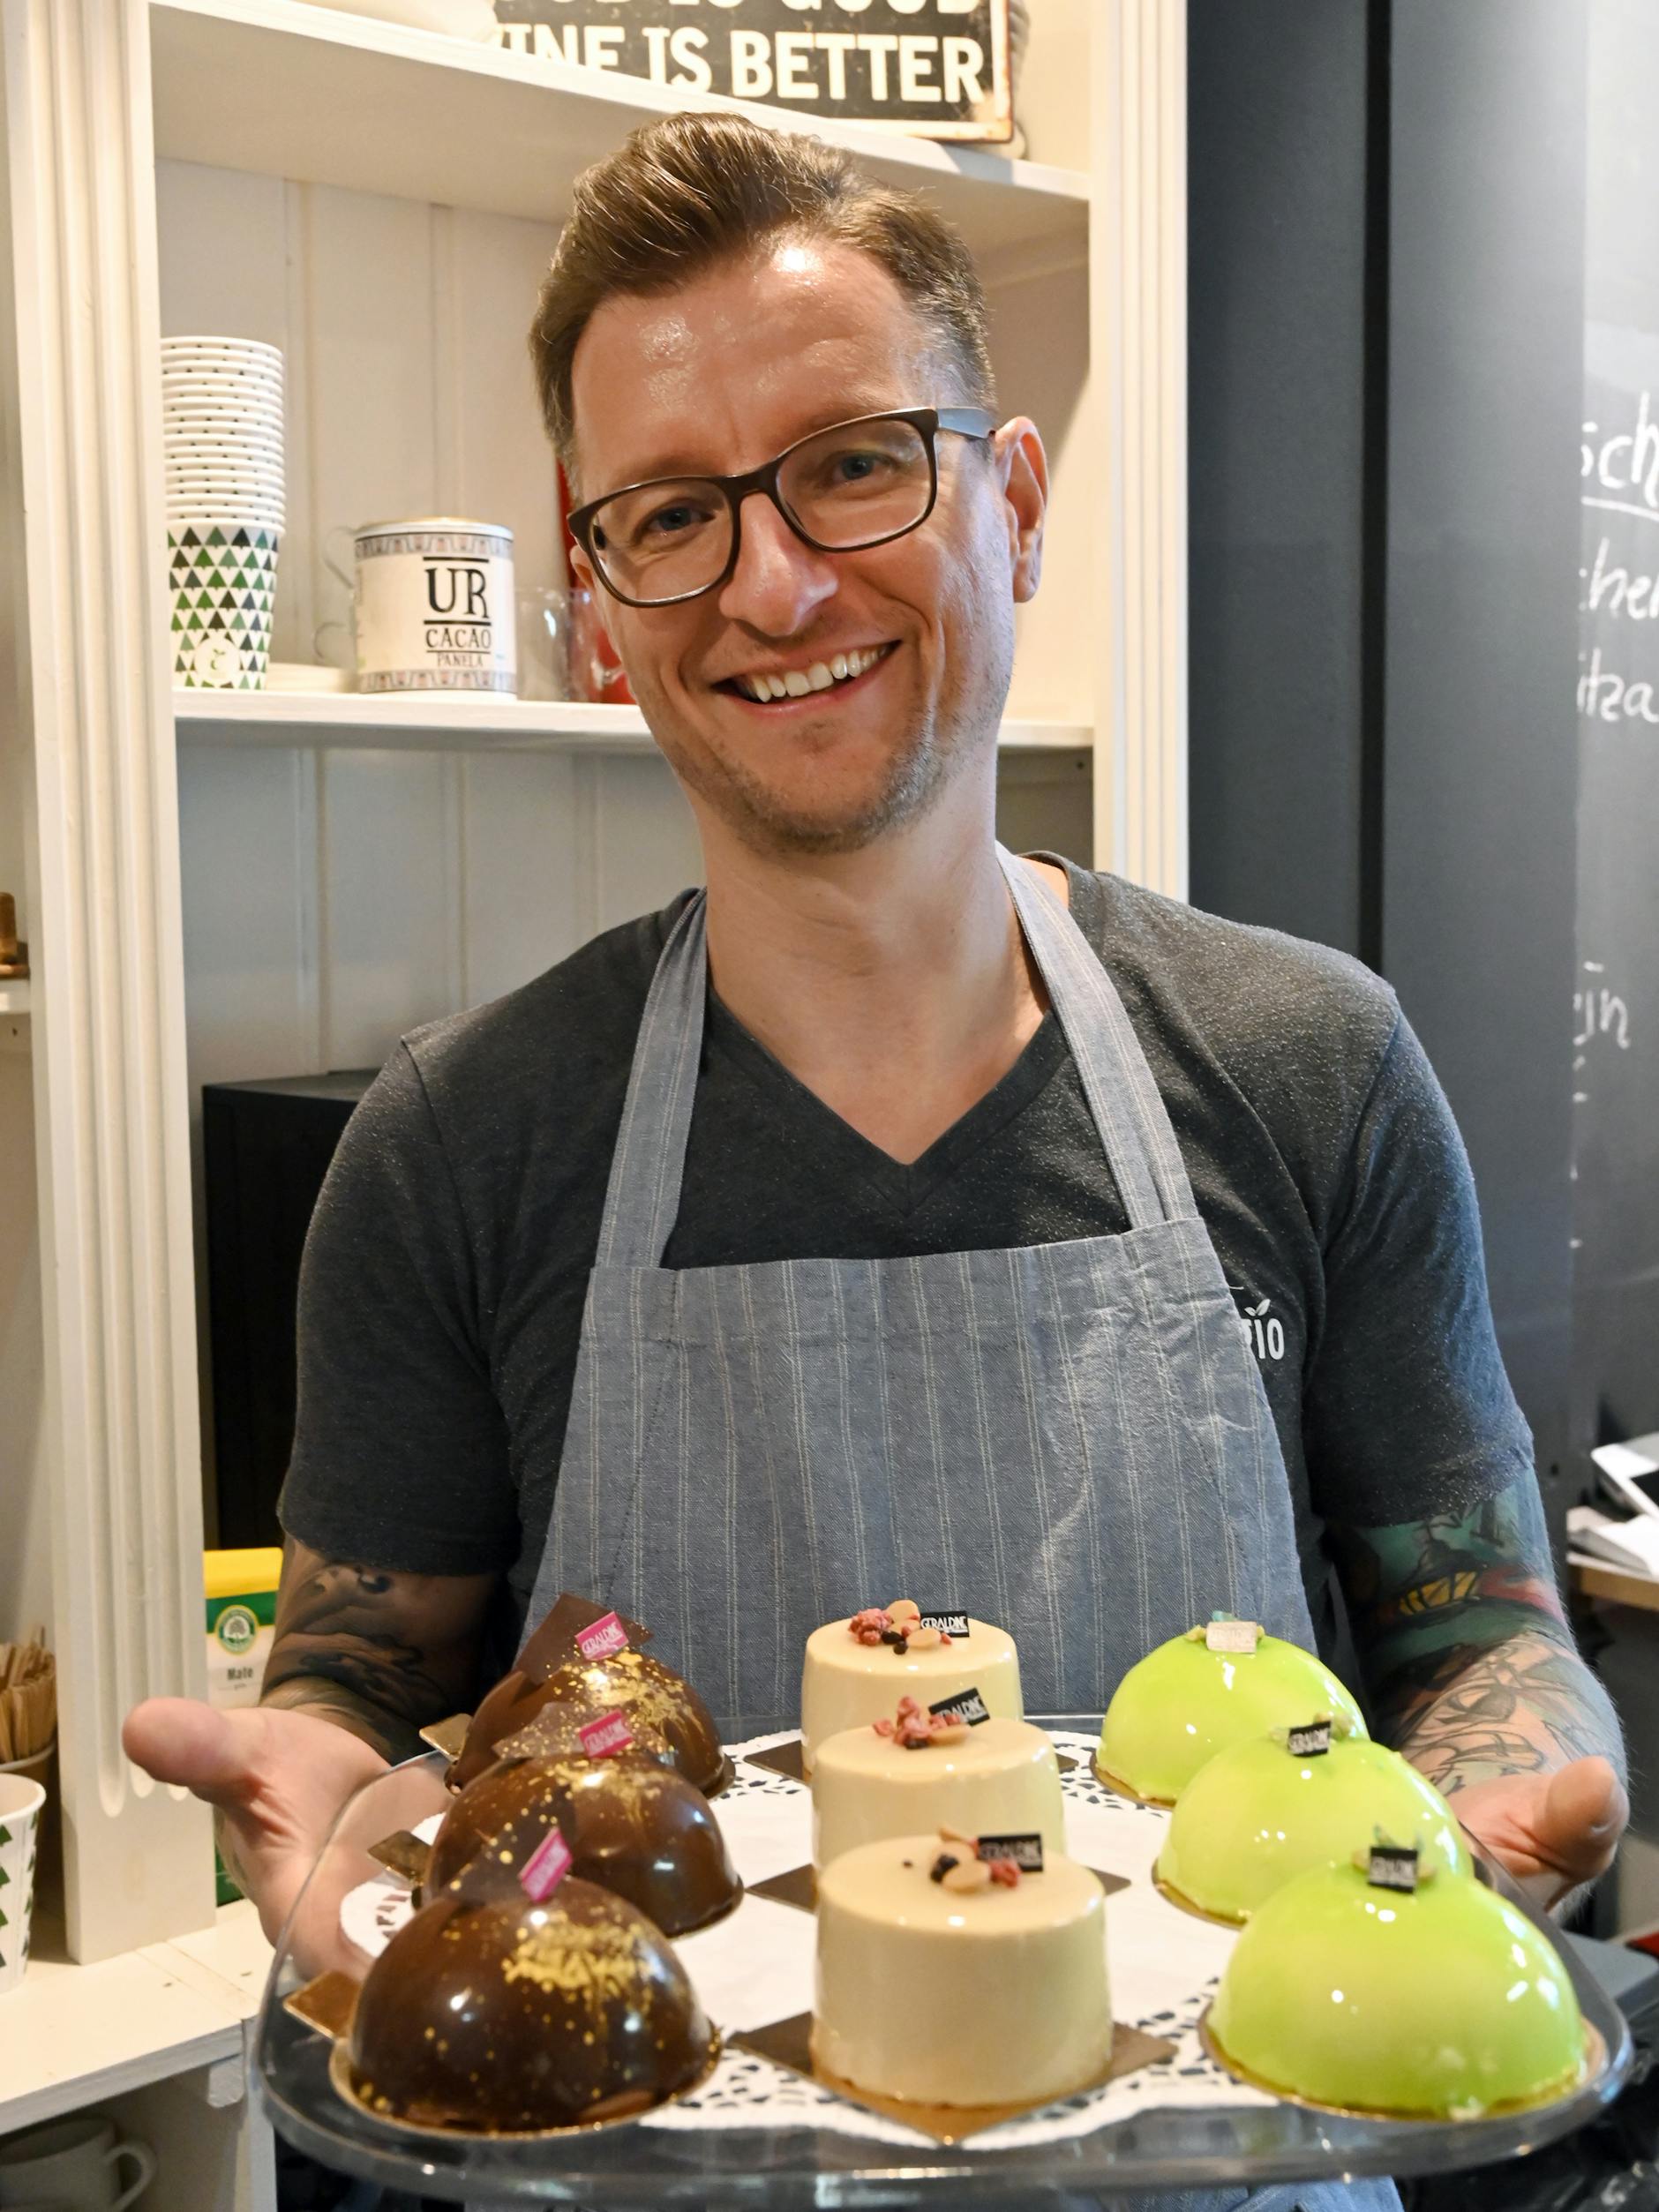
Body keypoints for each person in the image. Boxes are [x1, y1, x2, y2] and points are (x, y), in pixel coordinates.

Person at [128, 113, 1624, 2200]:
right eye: (669, 512)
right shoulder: (462, 1143)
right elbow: (367, 1667)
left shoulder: (1306, 1066)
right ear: (596, 588)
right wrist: (329, 1772)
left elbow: (1471, 1622)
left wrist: (1501, 1792)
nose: (771, 581)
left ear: (1010, 504)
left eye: (852, 463)